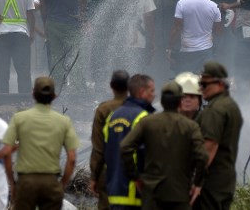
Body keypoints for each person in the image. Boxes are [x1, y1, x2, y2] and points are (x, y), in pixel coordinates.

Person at [120, 81, 208, 210]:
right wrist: (197, 184)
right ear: (179, 101)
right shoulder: (190, 126)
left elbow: (125, 147)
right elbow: (202, 156)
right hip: (180, 194)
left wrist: (135, 176)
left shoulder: (148, 122)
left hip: (152, 194)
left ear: (162, 101)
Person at [0, 76, 79, 210]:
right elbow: (72, 158)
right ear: (54, 95)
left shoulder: (19, 118)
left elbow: (5, 153)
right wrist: (62, 184)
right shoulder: (63, 121)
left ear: (33, 94)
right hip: (50, 182)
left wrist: (12, 183)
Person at [195, 62, 243, 210]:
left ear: (220, 84)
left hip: (211, 181)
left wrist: (196, 182)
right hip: (225, 179)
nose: (201, 88)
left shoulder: (215, 110)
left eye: (204, 84)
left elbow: (209, 147)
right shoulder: (230, 105)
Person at [103, 74, 156, 209]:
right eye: (152, 91)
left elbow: (106, 151)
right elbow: (146, 154)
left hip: (114, 191)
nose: (154, 95)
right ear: (142, 92)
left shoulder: (113, 116)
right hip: (134, 192)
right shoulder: (143, 117)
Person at [38, 0, 87, 90]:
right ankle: (78, 89)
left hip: (52, 23)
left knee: (56, 57)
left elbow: (42, 2)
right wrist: (82, 15)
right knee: (75, 55)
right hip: (70, 22)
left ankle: (58, 88)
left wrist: (45, 22)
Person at [89, 70, 130, 210]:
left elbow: (98, 147)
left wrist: (94, 175)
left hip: (108, 172)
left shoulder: (103, 109)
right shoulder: (138, 109)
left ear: (111, 85)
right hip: (131, 172)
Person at [167, 0, 223, 73]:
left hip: (187, 52)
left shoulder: (182, 3)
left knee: (187, 83)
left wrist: (169, 48)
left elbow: (177, 28)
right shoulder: (214, 6)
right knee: (207, 83)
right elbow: (219, 32)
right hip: (206, 52)